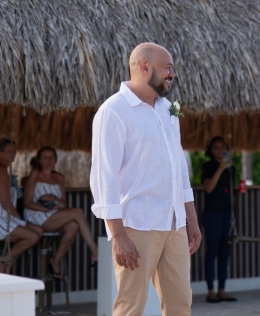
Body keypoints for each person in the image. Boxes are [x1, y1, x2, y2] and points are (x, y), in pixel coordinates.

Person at [90, 42, 201, 316]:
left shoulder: (168, 110)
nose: (172, 74)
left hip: (174, 224)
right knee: (131, 307)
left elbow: (179, 167)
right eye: (168, 68)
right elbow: (104, 176)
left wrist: (192, 220)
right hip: (136, 226)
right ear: (144, 67)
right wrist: (118, 235)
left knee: (180, 305)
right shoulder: (113, 111)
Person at [23, 146, 99, 279]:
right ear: (39, 160)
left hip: (53, 215)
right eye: (45, 158)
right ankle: (94, 251)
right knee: (78, 212)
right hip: (36, 215)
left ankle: (56, 260)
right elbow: (27, 203)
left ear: (56, 159)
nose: (49, 160)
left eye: (51, 157)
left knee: (73, 225)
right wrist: (46, 209)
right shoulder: (35, 174)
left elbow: (63, 203)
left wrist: (53, 199)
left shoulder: (59, 177)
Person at [0, 138, 43, 274]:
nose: (13, 154)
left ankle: (8, 261)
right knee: (32, 236)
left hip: (1, 217)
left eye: (14, 151)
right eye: (9, 151)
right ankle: (2, 261)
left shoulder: (3, 170)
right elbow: (5, 203)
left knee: (39, 231)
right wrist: (18, 217)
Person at [201, 136, 237, 303]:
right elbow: (208, 188)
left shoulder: (231, 168)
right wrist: (221, 168)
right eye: (216, 147)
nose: (220, 150)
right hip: (212, 213)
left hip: (227, 212)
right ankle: (210, 291)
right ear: (211, 150)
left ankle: (222, 289)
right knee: (212, 251)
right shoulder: (208, 166)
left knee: (225, 252)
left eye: (222, 147)